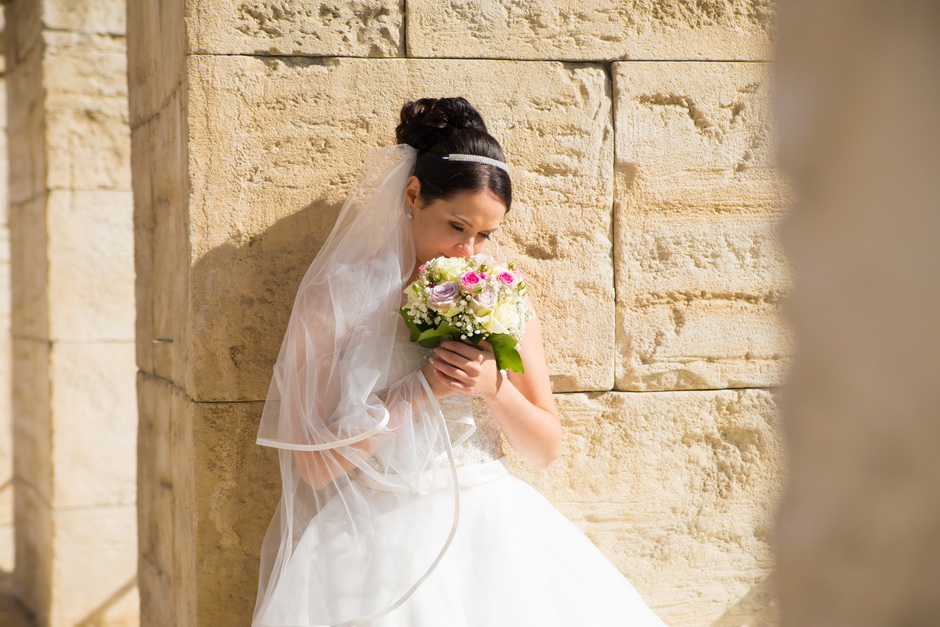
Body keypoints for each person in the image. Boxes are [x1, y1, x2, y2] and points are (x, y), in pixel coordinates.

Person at [252, 97, 669, 626]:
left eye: (485, 235)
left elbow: (544, 448)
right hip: (371, 541)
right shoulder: (334, 301)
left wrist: (493, 388)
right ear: (412, 194)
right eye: (457, 226)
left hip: (493, 533)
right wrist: (419, 389)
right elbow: (313, 466)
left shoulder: (498, 296)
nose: (468, 252)